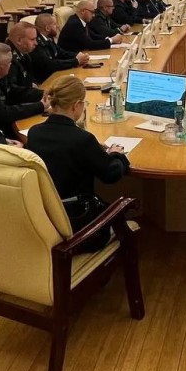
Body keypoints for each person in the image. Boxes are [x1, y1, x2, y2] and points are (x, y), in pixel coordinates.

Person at [26, 74, 130, 249]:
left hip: (47, 221)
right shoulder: (82, 139)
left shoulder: (34, 133)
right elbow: (111, 174)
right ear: (76, 106)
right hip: (80, 223)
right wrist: (116, 154)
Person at [31, 13, 90, 81]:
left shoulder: (48, 38)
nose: (58, 26)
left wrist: (79, 56)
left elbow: (61, 53)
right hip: (45, 81)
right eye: (55, 24)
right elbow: (50, 65)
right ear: (47, 28)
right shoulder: (36, 44)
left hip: (54, 75)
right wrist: (75, 61)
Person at [6, 22, 44, 104]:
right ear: (19, 40)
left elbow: (29, 79)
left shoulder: (25, 54)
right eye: (32, 39)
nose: (36, 43)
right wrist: (43, 93)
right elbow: (13, 91)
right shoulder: (8, 59)